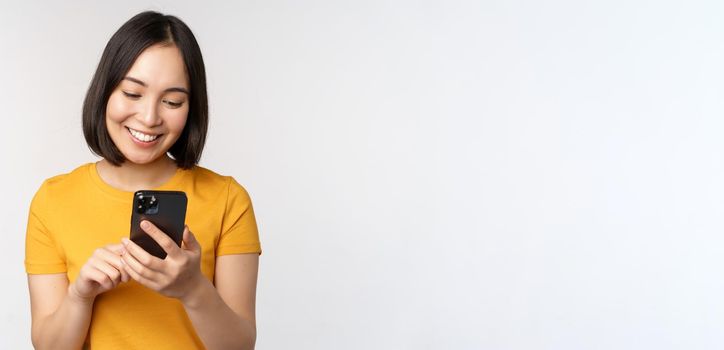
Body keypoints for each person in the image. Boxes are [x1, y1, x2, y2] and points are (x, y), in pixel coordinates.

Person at [24, 11, 261, 350]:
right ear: (105, 91)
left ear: (192, 108)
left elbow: (240, 346)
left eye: (172, 101)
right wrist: (80, 296)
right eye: (133, 94)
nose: (149, 118)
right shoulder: (53, 200)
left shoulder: (228, 199)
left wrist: (193, 289)